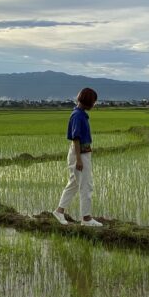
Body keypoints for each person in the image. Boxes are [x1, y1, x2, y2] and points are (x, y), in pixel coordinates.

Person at [53, 87, 103, 227]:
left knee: (74, 184)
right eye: (94, 101)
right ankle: (86, 219)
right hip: (79, 154)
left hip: (82, 153)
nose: (94, 104)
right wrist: (79, 160)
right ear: (88, 101)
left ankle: (59, 211)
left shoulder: (80, 114)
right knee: (86, 186)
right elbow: (75, 138)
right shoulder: (78, 116)